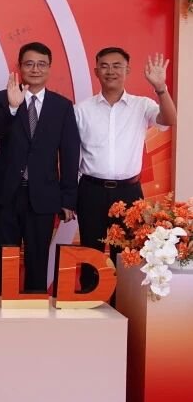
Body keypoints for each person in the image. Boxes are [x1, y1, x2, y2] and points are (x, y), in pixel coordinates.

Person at [75, 49, 176, 291]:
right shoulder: (82, 109)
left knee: (127, 253)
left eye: (117, 65)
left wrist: (161, 88)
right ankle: (89, 301)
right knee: (90, 251)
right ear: (96, 71)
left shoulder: (142, 105)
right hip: (91, 190)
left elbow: (170, 119)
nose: (110, 71)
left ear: (127, 70)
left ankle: (124, 306)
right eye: (105, 66)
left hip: (129, 192)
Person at [0, 42, 79, 293]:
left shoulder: (62, 106)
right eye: (29, 64)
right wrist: (13, 107)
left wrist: (68, 198)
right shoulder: (1, 98)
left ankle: (34, 308)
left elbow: (69, 154)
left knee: (38, 259)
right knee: (4, 258)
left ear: (49, 68)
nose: (35, 69)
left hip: (43, 196)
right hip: (7, 193)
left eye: (41, 64)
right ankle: (3, 306)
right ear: (19, 67)